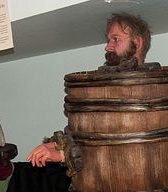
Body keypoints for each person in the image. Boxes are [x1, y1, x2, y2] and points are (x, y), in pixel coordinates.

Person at [26, 12, 151, 168]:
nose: (107, 47)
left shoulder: (153, 91)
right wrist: (59, 144)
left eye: (115, 39)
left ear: (137, 43)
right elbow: (87, 133)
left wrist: (64, 154)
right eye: (108, 40)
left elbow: (123, 145)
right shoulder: (100, 88)